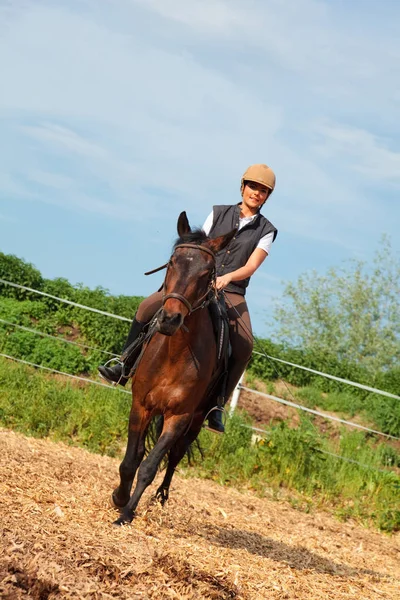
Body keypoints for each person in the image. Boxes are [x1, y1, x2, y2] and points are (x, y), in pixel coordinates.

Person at [98, 163, 278, 433]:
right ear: (243, 187)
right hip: (197, 281)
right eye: (253, 186)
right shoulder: (218, 212)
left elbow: (252, 265)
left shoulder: (266, 230)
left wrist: (228, 278)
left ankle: (217, 405)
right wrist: (198, 276)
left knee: (245, 345)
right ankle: (124, 364)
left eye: (263, 190)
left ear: (266, 196)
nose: (257, 193)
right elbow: (199, 245)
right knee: (146, 307)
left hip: (231, 291)